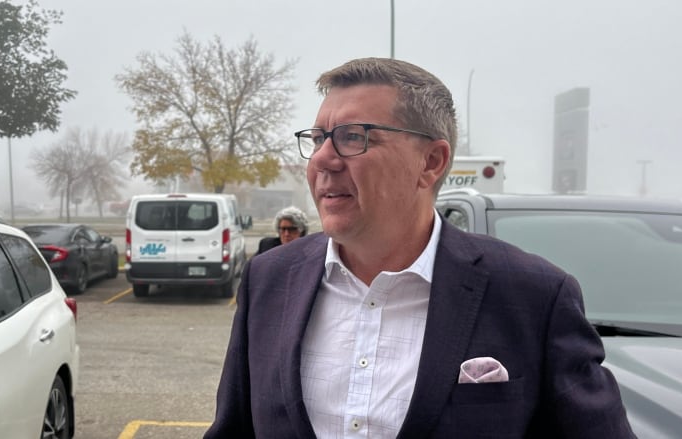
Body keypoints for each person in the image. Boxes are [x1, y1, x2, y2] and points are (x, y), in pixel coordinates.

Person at [204, 58, 635, 438]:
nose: (322, 159)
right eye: (318, 138)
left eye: (353, 137)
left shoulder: (532, 296)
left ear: (430, 162)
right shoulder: (270, 278)